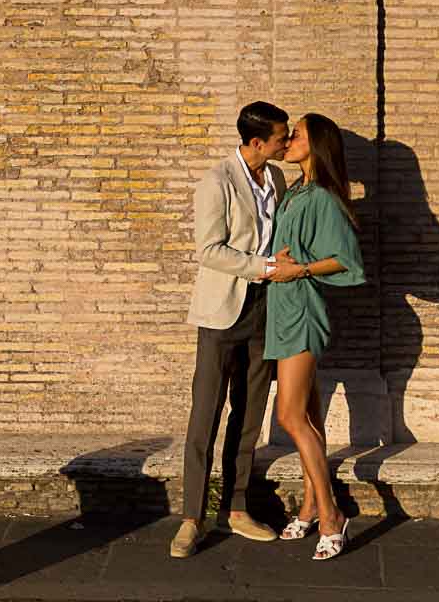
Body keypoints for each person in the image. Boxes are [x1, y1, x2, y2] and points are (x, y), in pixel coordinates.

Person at [170, 101, 290, 558]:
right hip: (222, 310)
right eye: (281, 136)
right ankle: (191, 518)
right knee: (206, 414)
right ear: (257, 142)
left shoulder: (276, 179)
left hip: (265, 308)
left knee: (250, 412)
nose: (286, 141)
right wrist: (263, 267)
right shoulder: (217, 181)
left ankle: (236, 509)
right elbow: (208, 250)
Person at [266, 113, 366, 561]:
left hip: (301, 313)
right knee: (308, 415)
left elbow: (347, 260)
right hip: (282, 310)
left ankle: (330, 514)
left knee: (289, 417)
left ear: (318, 144)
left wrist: (300, 269)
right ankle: (308, 506)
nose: (288, 140)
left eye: (298, 134)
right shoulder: (296, 192)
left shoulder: (323, 197)